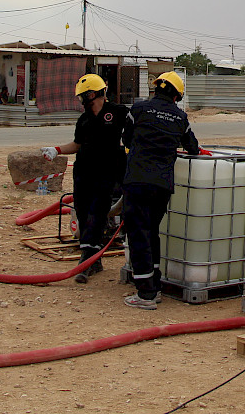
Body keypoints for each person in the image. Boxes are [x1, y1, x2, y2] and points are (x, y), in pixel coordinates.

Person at [120, 71, 199, 310]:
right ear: (176, 96)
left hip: (137, 181)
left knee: (138, 234)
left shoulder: (138, 110)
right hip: (162, 185)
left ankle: (145, 294)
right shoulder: (180, 118)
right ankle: (154, 285)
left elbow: (126, 140)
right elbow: (193, 148)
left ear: (156, 89)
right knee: (151, 231)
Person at [41, 74, 128, 283]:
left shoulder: (119, 113)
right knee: (82, 213)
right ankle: (93, 259)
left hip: (107, 175)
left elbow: (134, 137)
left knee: (96, 216)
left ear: (92, 94)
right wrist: (57, 149)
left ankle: (87, 261)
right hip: (83, 174)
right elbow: (77, 145)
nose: (80, 102)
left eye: (82, 97)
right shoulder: (84, 120)